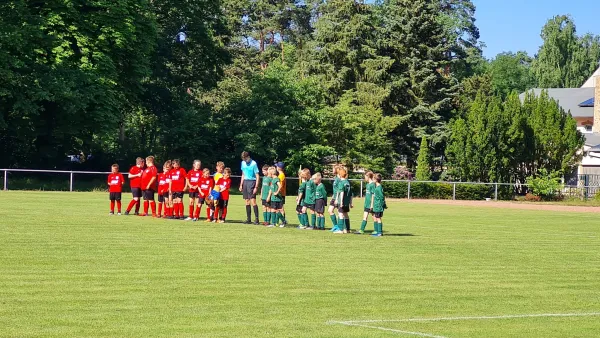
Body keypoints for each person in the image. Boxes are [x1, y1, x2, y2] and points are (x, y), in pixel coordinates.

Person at [239, 151, 260, 224]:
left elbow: (257, 176)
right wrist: (241, 184)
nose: (244, 160)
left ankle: (257, 219)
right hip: (245, 182)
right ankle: (248, 219)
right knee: (247, 201)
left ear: (248, 157)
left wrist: (256, 187)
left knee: (253, 201)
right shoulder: (243, 163)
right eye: (243, 159)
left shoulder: (254, 163)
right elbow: (243, 174)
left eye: (245, 159)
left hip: (252, 182)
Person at [333, 167, 352, 234]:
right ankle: (347, 229)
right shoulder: (348, 182)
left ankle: (341, 230)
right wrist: (350, 203)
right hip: (347, 202)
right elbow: (350, 194)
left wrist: (340, 202)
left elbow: (342, 192)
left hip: (342, 201)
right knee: (346, 214)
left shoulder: (341, 183)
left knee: (340, 214)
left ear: (340, 175)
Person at [328, 166, 341, 231]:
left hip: (338, 198)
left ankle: (340, 227)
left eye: (333, 169)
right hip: (334, 197)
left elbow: (339, 190)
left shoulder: (339, 179)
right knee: (330, 211)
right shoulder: (336, 178)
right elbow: (335, 189)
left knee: (339, 213)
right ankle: (335, 225)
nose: (332, 170)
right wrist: (333, 197)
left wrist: (336, 198)